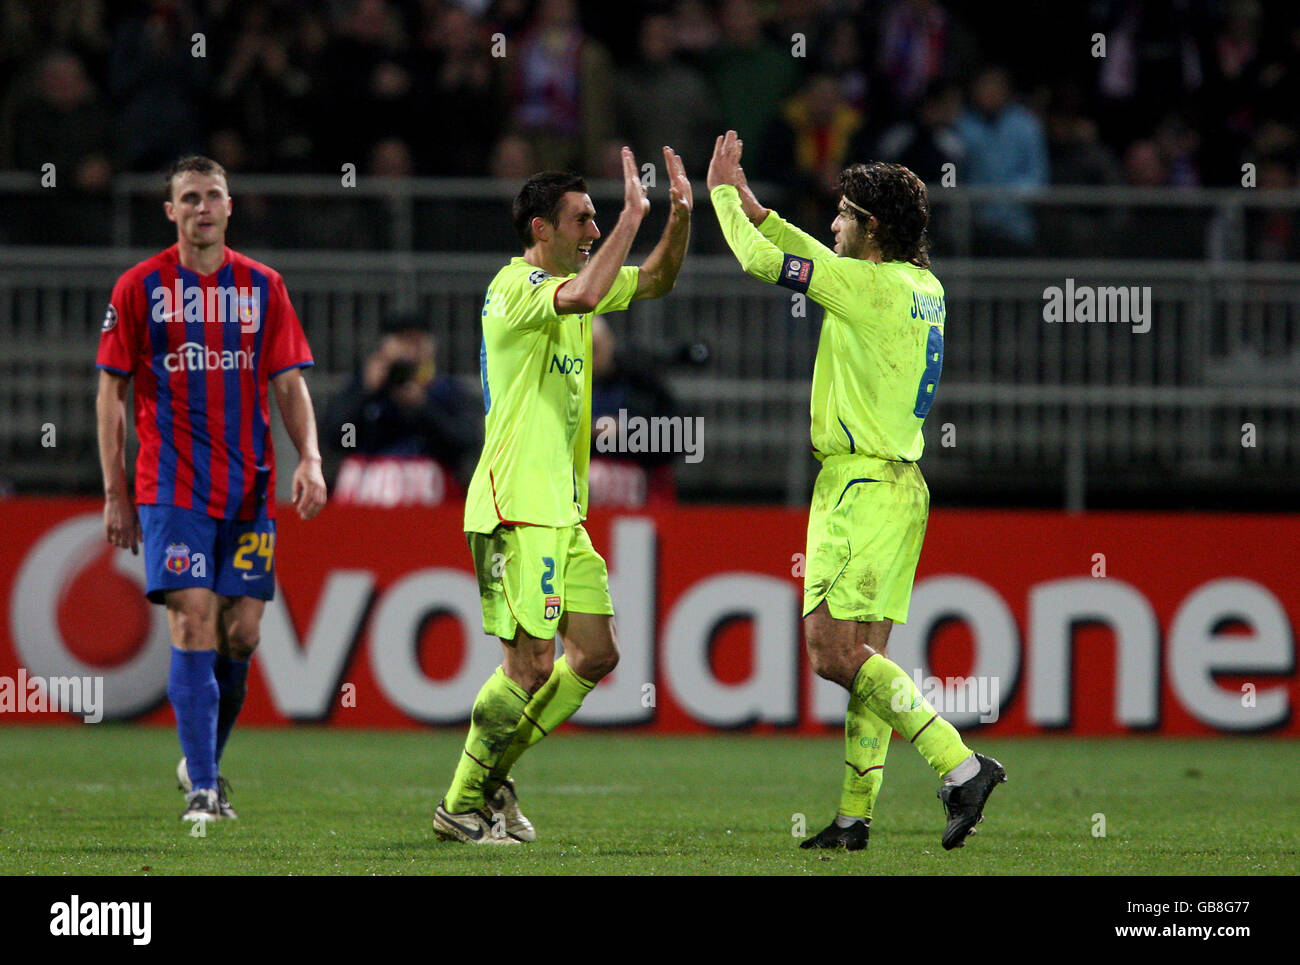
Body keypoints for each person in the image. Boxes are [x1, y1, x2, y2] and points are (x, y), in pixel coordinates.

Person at [706, 130, 1005, 852]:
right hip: (902, 487)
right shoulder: (920, 286)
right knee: (868, 658)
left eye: (842, 214)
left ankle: (961, 765)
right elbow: (818, 258)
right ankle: (852, 816)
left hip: (858, 483)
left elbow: (757, 260)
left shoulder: (864, 285)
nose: (832, 223)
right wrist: (759, 205)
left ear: (870, 229)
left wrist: (718, 191)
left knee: (832, 653)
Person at [434, 145, 692, 844]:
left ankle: (489, 781)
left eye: (597, 218)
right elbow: (580, 293)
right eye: (581, 219)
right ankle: (463, 799)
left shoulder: (580, 282)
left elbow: (660, 279)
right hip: (515, 502)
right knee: (530, 664)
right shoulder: (513, 289)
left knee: (598, 652)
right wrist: (633, 218)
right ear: (540, 229)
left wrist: (680, 215)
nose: (591, 230)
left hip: (562, 512)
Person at [96, 156, 327, 823]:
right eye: (189, 197)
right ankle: (203, 787)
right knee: (192, 617)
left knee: (243, 633)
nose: (202, 207)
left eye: (213, 196)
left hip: (249, 489)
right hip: (170, 487)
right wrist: (116, 490)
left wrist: (309, 456)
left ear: (230, 206)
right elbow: (111, 391)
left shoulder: (263, 285)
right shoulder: (138, 287)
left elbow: (288, 381)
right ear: (170, 211)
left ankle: (203, 755)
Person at [322, 313, 480, 505]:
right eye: (402, 342)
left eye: (417, 342)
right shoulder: (362, 388)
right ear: (384, 347)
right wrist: (364, 395)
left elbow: (465, 443)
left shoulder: (443, 391)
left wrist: (423, 407)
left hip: (430, 492)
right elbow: (339, 440)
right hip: (368, 491)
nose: (410, 351)